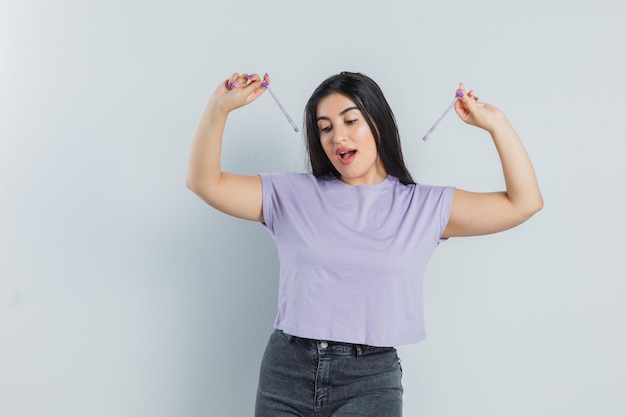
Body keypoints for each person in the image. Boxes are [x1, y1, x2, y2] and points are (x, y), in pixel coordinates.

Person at [187, 71, 543, 416]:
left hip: (369, 380)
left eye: (350, 120)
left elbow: (523, 202)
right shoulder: (291, 195)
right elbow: (205, 182)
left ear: (377, 123)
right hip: (286, 371)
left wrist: (496, 124)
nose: (337, 136)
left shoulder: (425, 207)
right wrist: (219, 108)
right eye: (325, 128)